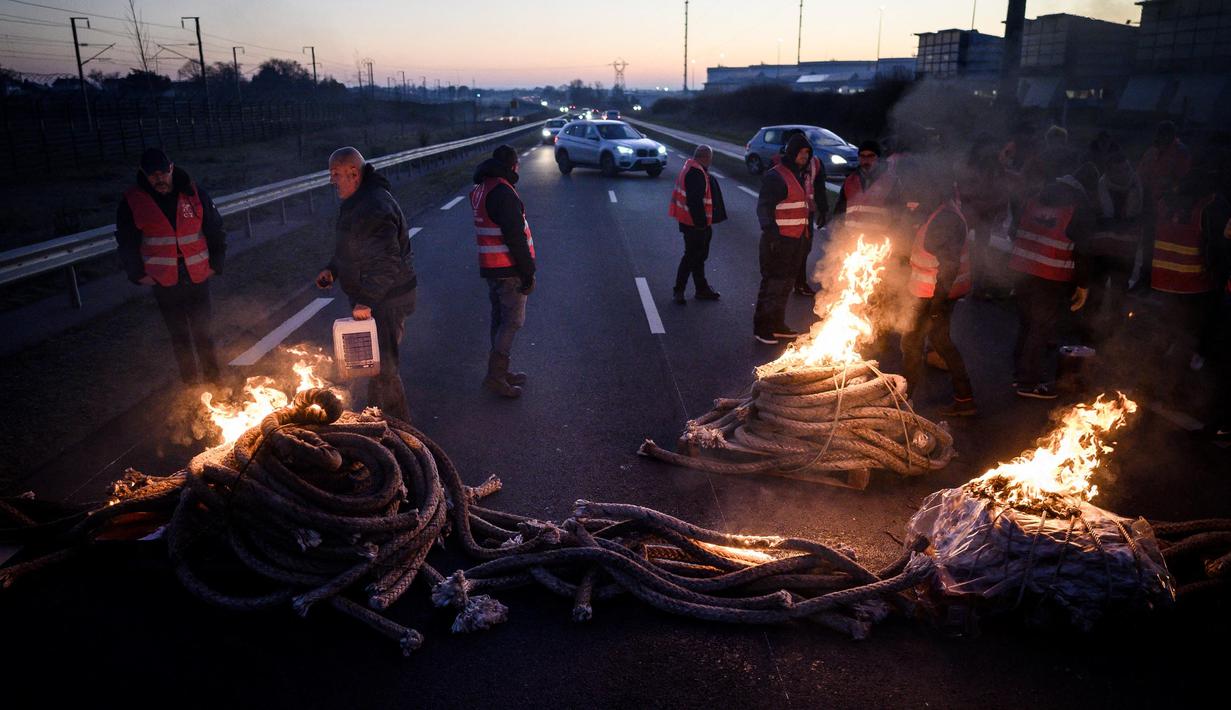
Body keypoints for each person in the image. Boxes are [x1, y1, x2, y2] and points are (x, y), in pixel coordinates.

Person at [315, 146, 416, 422]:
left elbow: (387, 261)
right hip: (378, 298)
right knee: (375, 366)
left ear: (353, 173)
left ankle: (401, 434)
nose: (332, 180)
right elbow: (351, 248)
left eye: (336, 174)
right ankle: (377, 421)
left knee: (384, 368)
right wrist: (332, 269)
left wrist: (367, 300)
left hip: (387, 299)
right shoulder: (359, 202)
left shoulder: (373, 207)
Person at [115, 147, 227, 385]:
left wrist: (216, 264)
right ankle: (191, 385)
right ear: (143, 173)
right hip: (164, 281)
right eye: (152, 174)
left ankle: (214, 382)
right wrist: (137, 275)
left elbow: (215, 229)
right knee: (179, 337)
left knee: (203, 334)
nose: (159, 178)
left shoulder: (194, 194)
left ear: (172, 168)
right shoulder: (133, 202)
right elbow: (126, 243)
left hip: (197, 275)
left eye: (163, 172)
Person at [1008, 163, 1099, 399]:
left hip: (1021, 270)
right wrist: (1083, 285)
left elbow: (1014, 229)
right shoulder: (1078, 207)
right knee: (1041, 329)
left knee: (1026, 324)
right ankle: (1029, 383)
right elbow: (1083, 250)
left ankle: (1019, 375)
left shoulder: (1037, 196)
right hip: (1050, 275)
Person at [901, 165, 975, 416]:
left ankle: (905, 398)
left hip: (934, 293)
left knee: (915, 341)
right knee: (935, 341)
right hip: (934, 292)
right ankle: (963, 400)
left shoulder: (944, 220)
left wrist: (938, 304)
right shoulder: (941, 211)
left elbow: (949, 265)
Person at [1149, 166, 1230, 374]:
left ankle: (1160, 369)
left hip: (1161, 279)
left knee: (1170, 327)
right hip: (1195, 283)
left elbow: (1147, 238)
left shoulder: (1163, 202)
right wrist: (1218, 276)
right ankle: (1188, 371)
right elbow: (1216, 247)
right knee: (1195, 329)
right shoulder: (1210, 207)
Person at [470, 145, 536, 398]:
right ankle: (496, 376)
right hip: (508, 268)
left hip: (491, 268)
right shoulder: (503, 192)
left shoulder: (481, 189)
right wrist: (527, 272)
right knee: (512, 322)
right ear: (512, 166)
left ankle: (498, 372)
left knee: (499, 320)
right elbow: (515, 237)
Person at [753, 133, 811, 344]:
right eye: (802, 152)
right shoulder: (776, 176)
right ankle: (762, 328)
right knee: (772, 285)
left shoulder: (798, 175)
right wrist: (773, 237)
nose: (805, 156)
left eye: (807, 153)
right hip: (778, 242)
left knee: (786, 285)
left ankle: (777, 324)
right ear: (793, 152)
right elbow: (764, 209)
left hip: (795, 242)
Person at [1085, 151, 1143, 345]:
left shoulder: (1138, 187)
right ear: (1108, 171)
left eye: (1126, 169)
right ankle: (1088, 332)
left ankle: (1113, 335)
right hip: (1101, 250)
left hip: (1126, 252)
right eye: (1118, 170)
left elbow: (1145, 218)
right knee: (1096, 292)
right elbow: (1091, 218)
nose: (1123, 173)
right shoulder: (1098, 188)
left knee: (1118, 294)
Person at [1137, 121, 1193, 288]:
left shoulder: (1181, 153)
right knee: (1147, 245)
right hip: (1149, 206)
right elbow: (1141, 174)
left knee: (1161, 247)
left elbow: (1183, 183)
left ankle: (1158, 282)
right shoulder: (1152, 151)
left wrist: (1170, 199)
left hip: (1167, 210)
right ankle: (1144, 280)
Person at [669, 144, 725, 304]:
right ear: (705, 158)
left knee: (697, 257)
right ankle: (679, 290)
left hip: (691, 223)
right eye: (710, 159)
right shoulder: (696, 174)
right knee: (691, 257)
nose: (710, 162)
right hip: (695, 225)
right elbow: (695, 202)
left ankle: (701, 288)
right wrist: (701, 226)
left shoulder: (691, 168)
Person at [777, 129, 829, 296]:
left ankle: (799, 283)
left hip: (807, 213)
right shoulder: (779, 163)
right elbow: (771, 192)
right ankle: (779, 283)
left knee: (803, 249)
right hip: (785, 216)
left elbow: (820, 188)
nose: (803, 152)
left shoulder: (816, 163)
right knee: (783, 250)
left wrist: (824, 209)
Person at [833, 140, 895, 240]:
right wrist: (838, 233)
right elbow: (840, 210)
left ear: (878, 158)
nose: (866, 160)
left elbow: (898, 214)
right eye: (862, 156)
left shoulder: (890, 181)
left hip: (878, 243)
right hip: (850, 241)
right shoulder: (850, 181)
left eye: (870, 156)